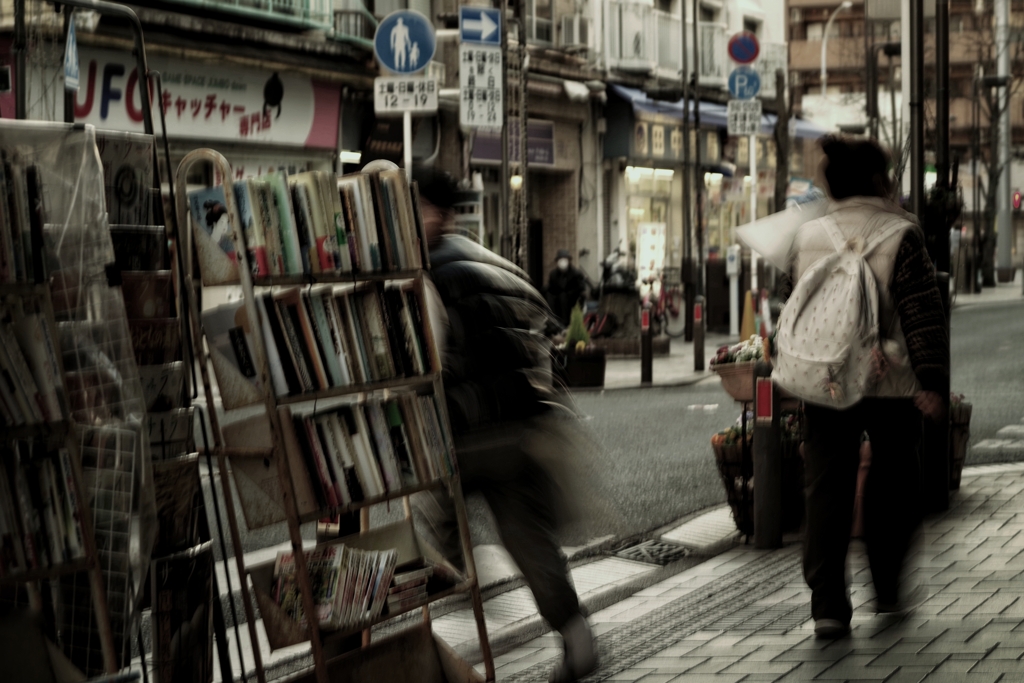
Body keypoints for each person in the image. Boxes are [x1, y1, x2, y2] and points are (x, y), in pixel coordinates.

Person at [411, 167, 598, 683]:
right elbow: (533, 327)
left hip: (472, 435)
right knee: (529, 539)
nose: (412, 219)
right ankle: (576, 637)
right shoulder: (483, 260)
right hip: (520, 427)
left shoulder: (429, 274)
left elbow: (431, 364)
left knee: (428, 506)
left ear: (442, 215)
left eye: (419, 208)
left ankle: (457, 579)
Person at [790, 136, 947, 639]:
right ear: (880, 181)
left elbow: (795, 310)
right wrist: (933, 381)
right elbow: (922, 314)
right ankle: (888, 589)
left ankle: (828, 607)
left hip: (824, 378)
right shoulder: (902, 234)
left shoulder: (807, 235)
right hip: (891, 381)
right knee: (894, 483)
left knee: (825, 489)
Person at [546, 249, 587, 326]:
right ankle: (552, 321)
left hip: (573, 298)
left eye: (565, 260)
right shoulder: (553, 274)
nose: (562, 263)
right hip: (558, 297)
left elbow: (581, 287)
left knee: (563, 297)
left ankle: (565, 323)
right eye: (560, 260)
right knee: (549, 296)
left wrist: (570, 293)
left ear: (569, 261)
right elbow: (551, 288)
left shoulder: (576, 273)